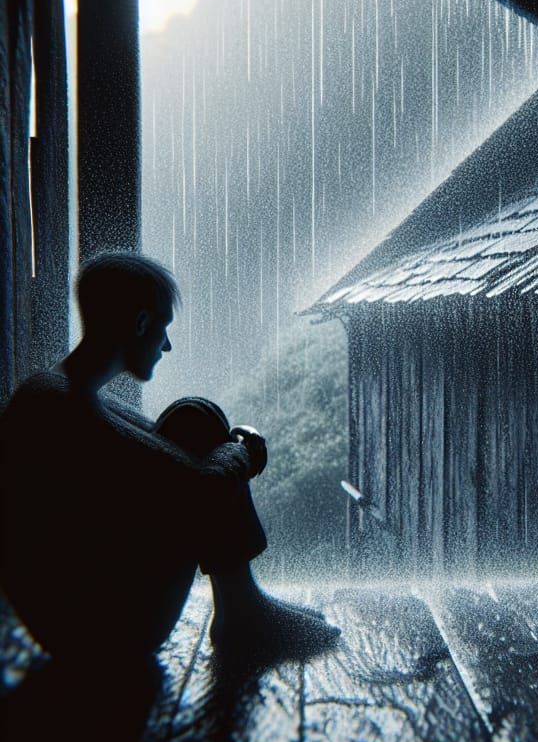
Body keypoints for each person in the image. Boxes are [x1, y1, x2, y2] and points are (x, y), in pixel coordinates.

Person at [0, 251, 338, 664]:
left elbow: (173, 463)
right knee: (196, 419)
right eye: (164, 328)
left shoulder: (66, 392)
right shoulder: (60, 403)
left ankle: (243, 608)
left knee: (192, 419)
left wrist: (230, 452)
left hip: (80, 610)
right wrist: (244, 450)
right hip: (93, 630)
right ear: (141, 323)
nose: (168, 345)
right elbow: (201, 490)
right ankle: (243, 612)